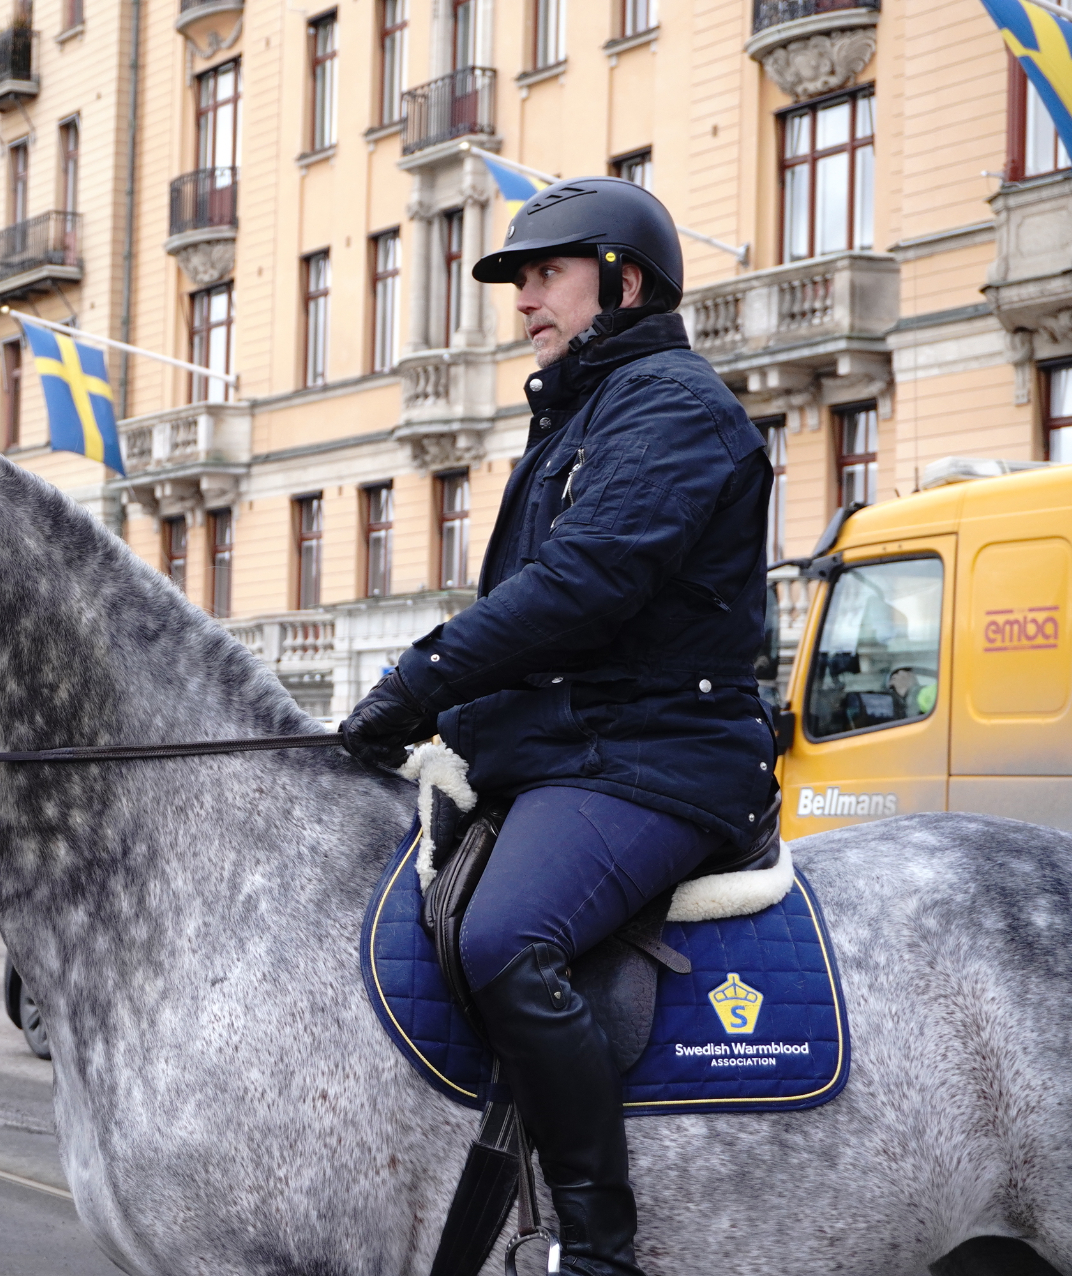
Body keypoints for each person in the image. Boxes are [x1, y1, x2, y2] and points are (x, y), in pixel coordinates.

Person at [342, 178, 776, 1276]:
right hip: (580, 744)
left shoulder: (673, 406)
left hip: (660, 756)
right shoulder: (581, 412)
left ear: (623, 283)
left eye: (546, 275)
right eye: (520, 280)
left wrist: (420, 680)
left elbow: (582, 590)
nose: (524, 300)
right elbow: (538, 614)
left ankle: (597, 1244)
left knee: (502, 936)